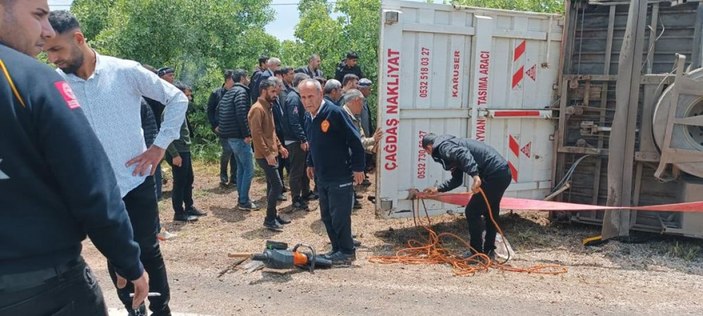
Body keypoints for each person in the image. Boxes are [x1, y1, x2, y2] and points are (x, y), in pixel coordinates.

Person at [0, 1, 148, 314]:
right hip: (41, 285)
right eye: (38, 15)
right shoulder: (32, 78)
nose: (48, 30)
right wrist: (127, 260)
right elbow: (91, 186)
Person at [45, 10, 187, 315]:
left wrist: (159, 147)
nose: (52, 58)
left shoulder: (125, 71)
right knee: (116, 254)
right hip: (94, 189)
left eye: (56, 49)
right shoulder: (53, 84)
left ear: (79, 39)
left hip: (136, 181)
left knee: (147, 248)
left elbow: (177, 99)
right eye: (47, 51)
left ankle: (161, 309)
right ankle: (134, 309)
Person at [301, 79, 365, 265]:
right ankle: (336, 248)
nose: (307, 101)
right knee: (327, 215)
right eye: (303, 97)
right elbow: (313, 142)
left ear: (321, 94)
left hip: (340, 174)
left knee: (340, 216)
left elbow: (355, 141)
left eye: (310, 96)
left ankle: (347, 251)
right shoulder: (309, 116)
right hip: (322, 175)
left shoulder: (334, 113)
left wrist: (358, 167)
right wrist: (310, 162)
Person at [420, 133, 512, 259]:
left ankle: (476, 253)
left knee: (472, 211)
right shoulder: (452, 144)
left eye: (427, 152)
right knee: (490, 211)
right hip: (502, 172)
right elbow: (457, 179)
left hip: (494, 174)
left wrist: (475, 176)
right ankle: (489, 251)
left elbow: (463, 154)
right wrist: (438, 189)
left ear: (429, 147)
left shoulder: (443, 147)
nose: (429, 154)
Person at [248, 77, 291, 231]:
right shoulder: (257, 109)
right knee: (278, 185)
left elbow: (271, 131)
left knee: (272, 185)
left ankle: (273, 215)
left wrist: (280, 147)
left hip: (272, 153)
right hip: (264, 155)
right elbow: (257, 135)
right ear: (263, 91)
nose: (276, 94)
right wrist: (267, 154)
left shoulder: (268, 107)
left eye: (276, 91)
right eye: (272, 91)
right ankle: (269, 219)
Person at [217, 69, 258, 210]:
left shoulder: (229, 93)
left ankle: (241, 197)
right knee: (249, 169)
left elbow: (220, 111)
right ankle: (244, 201)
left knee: (241, 167)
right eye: (246, 77)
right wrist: (247, 134)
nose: (248, 79)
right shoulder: (241, 92)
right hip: (239, 137)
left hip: (230, 137)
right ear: (242, 78)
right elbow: (242, 113)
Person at [165, 82, 206, 222]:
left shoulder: (180, 108)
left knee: (189, 179)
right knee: (179, 182)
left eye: (189, 95)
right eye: (187, 95)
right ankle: (179, 213)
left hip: (185, 150)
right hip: (178, 152)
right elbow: (165, 134)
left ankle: (189, 207)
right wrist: (174, 154)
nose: (189, 98)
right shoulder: (172, 110)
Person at [282, 73, 314, 210]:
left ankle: (306, 192)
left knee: (303, 168)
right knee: (296, 170)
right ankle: (296, 198)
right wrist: (302, 138)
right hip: (295, 141)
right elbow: (294, 121)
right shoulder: (294, 98)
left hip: (300, 139)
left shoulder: (297, 97)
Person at [207, 69, 237, 187]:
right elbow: (210, 111)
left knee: (235, 152)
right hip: (222, 128)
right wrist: (215, 126)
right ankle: (223, 174)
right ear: (228, 79)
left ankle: (234, 177)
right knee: (227, 150)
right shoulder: (216, 93)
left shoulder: (237, 92)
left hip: (234, 128)